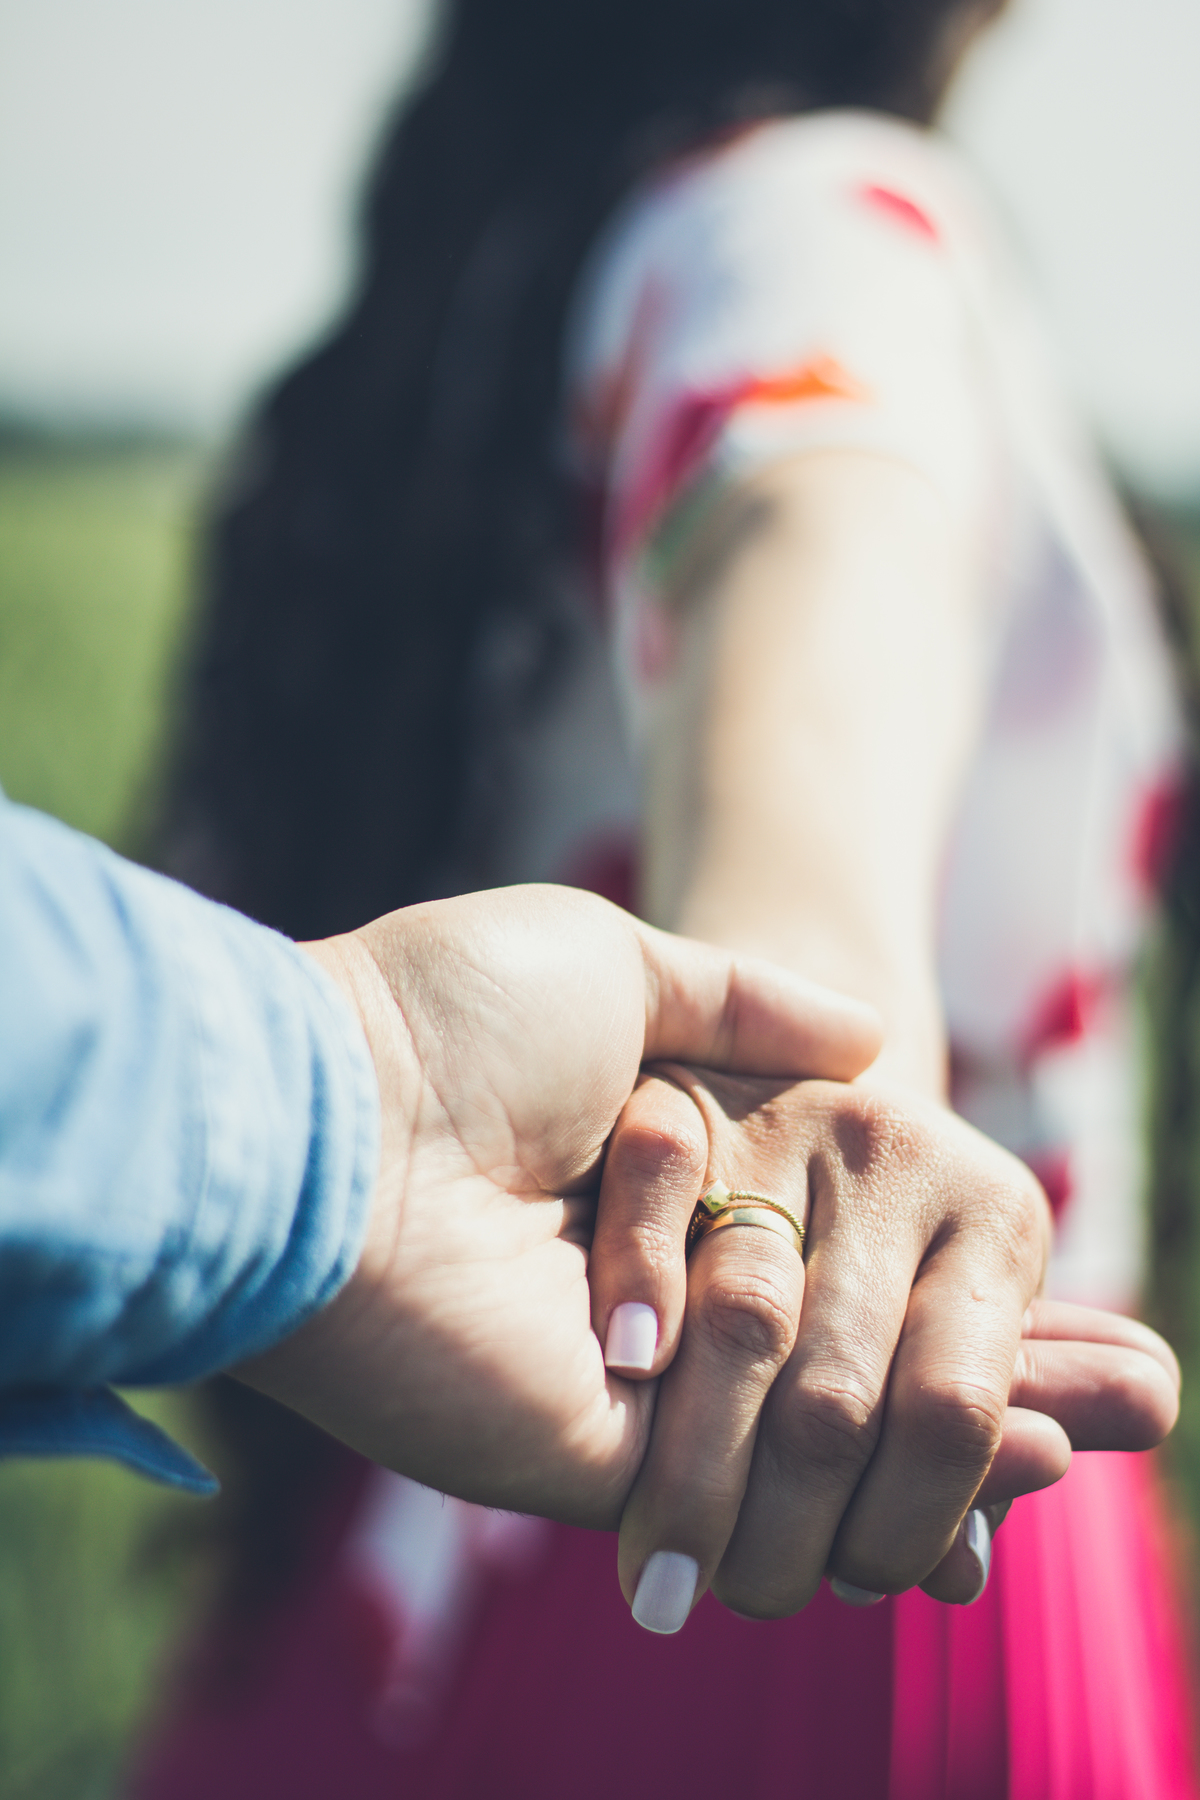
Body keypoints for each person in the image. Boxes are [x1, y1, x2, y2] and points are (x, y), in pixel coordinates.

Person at [134, 0, 1198, 1794]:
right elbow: (811, 555)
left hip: (504, 1441)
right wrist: (800, 1070)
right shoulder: (810, 221)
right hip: (839, 1481)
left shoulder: (507, 295)